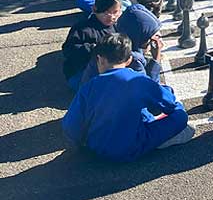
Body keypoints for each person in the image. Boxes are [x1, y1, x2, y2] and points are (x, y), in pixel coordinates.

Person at [62, 33, 193, 162]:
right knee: (180, 115)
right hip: (131, 148)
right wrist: (167, 93)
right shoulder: (137, 80)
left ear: (100, 59)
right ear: (129, 60)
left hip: (96, 149)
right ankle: (160, 140)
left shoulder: (89, 86)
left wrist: (79, 145)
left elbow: (70, 125)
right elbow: (169, 103)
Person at [80, 3, 163, 85]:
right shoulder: (132, 60)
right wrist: (156, 59)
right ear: (139, 36)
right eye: (149, 38)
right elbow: (151, 88)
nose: (152, 41)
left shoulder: (111, 42)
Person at [61, 0, 122, 92]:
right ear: (94, 9)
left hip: (109, 68)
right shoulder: (83, 28)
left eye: (115, 12)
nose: (111, 16)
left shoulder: (118, 26)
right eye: (106, 12)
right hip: (80, 72)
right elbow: (68, 50)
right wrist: (95, 48)